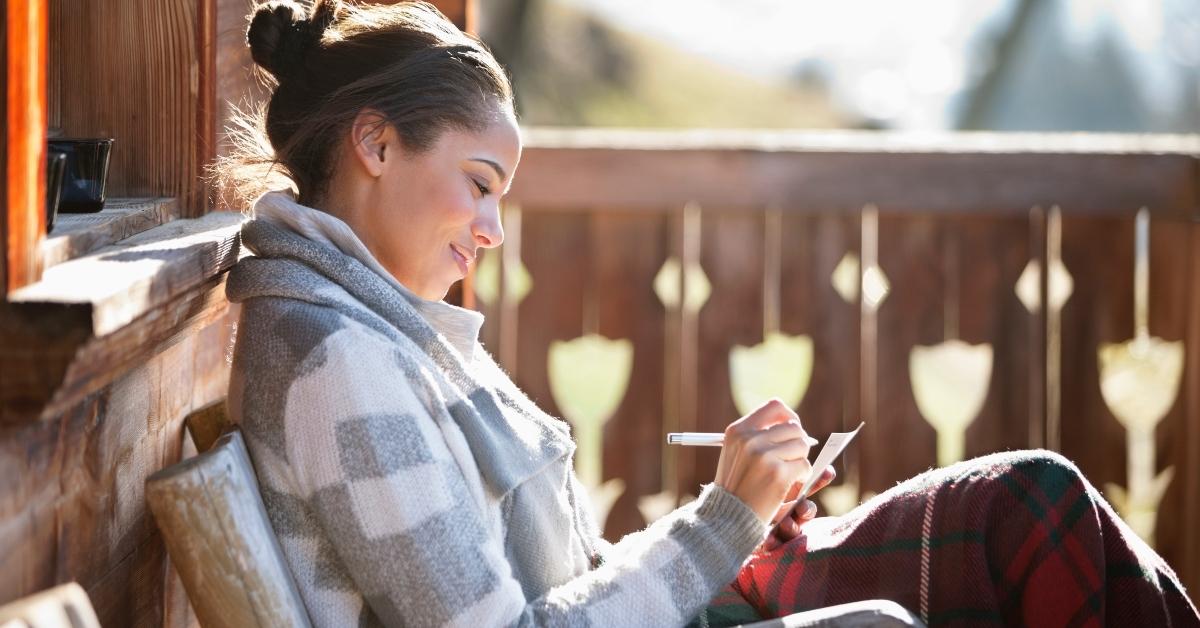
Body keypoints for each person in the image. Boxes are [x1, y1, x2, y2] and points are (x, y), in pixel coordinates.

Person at [218, 2, 1200, 626]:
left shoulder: (372, 327)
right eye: (480, 184)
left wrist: (737, 517)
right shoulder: (336, 363)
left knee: (1026, 505)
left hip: (663, 603)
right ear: (377, 145)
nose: (493, 230)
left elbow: (567, 577)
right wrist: (723, 520)